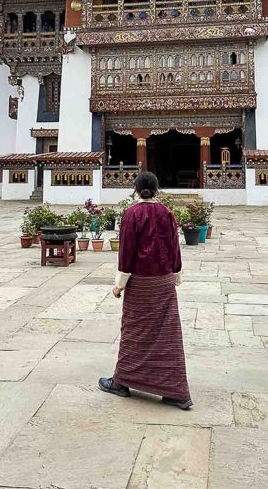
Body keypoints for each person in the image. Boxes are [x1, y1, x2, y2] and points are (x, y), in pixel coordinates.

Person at [98, 171, 192, 410]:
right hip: (163, 282)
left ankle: (122, 381)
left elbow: (126, 252)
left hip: (140, 284)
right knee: (167, 337)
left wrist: (119, 284)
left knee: (134, 333)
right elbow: (174, 248)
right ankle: (175, 392)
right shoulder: (167, 213)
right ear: (156, 189)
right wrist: (176, 277)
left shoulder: (132, 214)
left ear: (136, 189)